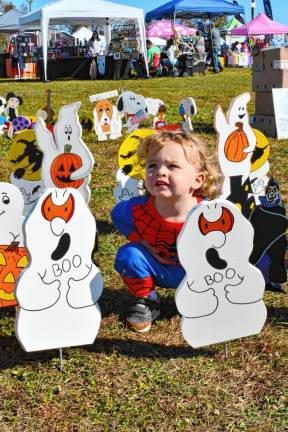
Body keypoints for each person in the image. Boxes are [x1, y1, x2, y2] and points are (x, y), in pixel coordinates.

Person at [111, 131, 221, 333]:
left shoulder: (208, 214)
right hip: (156, 268)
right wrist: (138, 239)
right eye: (152, 165)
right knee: (128, 255)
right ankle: (148, 299)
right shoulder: (136, 208)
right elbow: (116, 215)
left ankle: (204, 298)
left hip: (194, 274)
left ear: (197, 180)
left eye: (172, 166)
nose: (160, 172)